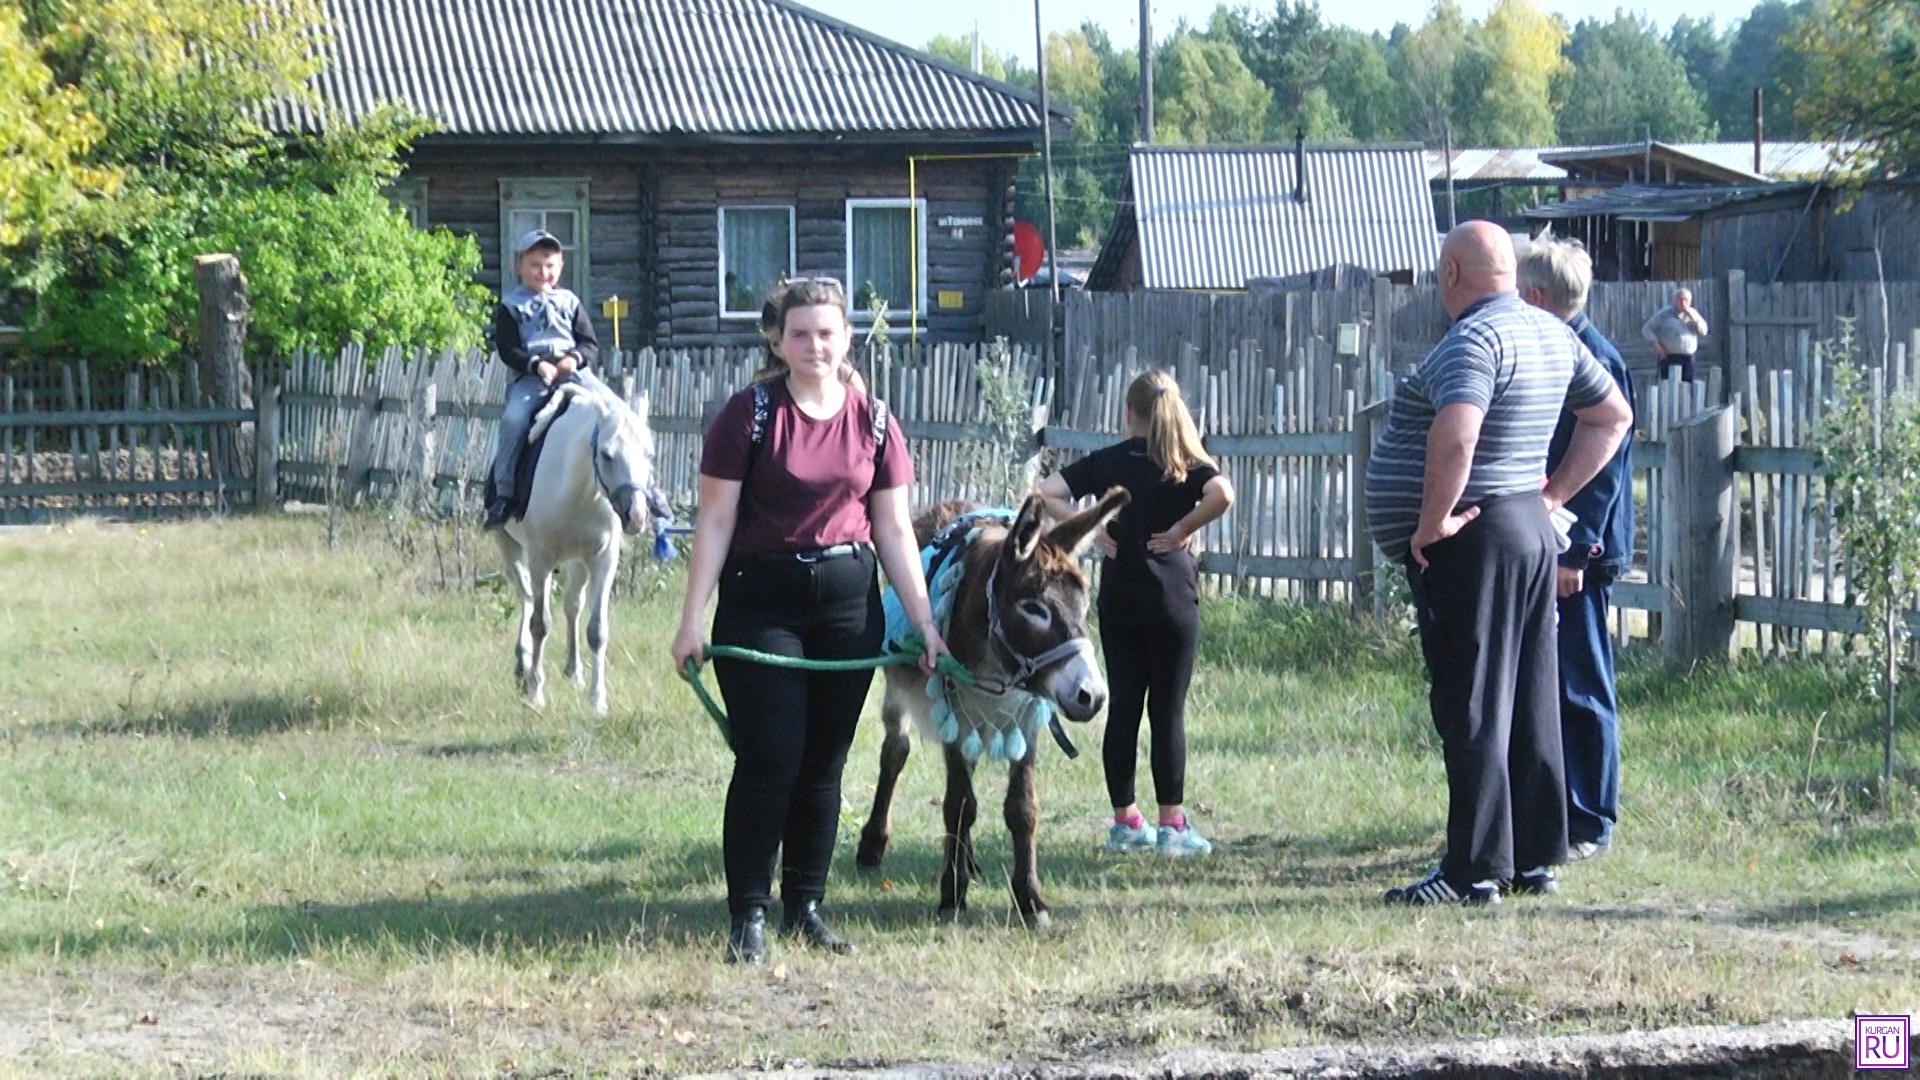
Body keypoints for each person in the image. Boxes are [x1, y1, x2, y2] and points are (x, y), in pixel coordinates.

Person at [671, 278, 947, 965]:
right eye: (800, 334)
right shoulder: (749, 415)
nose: (814, 346)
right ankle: (749, 917)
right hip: (761, 605)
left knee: (825, 763)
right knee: (771, 758)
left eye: (826, 333)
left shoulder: (877, 423)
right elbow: (716, 519)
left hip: (849, 609)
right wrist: (691, 620)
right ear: (777, 340)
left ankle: (807, 905)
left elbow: (893, 530)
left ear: (846, 338)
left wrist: (923, 622)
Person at [1364, 221, 1632, 905]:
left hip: (1474, 536)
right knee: (1530, 697)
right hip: (1525, 529)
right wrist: (1551, 496)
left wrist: (1433, 522)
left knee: (1473, 700)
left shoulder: (1475, 337)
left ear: (1452, 275)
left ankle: (1473, 870)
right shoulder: (1551, 330)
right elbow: (1613, 416)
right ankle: (1536, 855)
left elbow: (1457, 432)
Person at [1038, 371, 1235, 858]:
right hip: (1173, 601)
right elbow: (1224, 495)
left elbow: (1047, 492)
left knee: (1123, 708)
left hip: (1121, 599)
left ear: (1129, 414)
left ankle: (1126, 821)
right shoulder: (1187, 462)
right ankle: (1172, 826)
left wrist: (1091, 529)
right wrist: (1182, 528)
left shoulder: (1111, 461)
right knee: (1167, 711)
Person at [1520, 239, 1636, 863]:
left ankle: (1592, 819)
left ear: (1537, 297)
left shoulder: (1597, 359)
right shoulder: (1561, 348)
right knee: (1556, 679)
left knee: (1582, 683)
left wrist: (1576, 553)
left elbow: (1606, 470)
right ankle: (1560, 808)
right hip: (1560, 541)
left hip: (1580, 552)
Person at [486, 228, 606, 528]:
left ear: (560, 267)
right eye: (536, 265)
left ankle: (646, 487)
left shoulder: (569, 301)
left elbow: (589, 342)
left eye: (550, 265)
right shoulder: (511, 306)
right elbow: (507, 349)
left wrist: (573, 359)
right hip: (531, 379)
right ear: (520, 267)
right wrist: (536, 364)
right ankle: (504, 494)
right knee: (514, 420)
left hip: (574, 374)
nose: (543, 272)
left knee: (614, 410)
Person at [759, 283, 868, 394]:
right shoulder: (761, 386)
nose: (814, 346)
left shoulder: (847, 377)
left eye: (825, 334)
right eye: (775, 344)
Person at [1641, 288, 1709, 384]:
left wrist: (1692, 317)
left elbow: (1704, 331)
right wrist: (1657, 347)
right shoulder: (1664, 314)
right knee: (1667, 387)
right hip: (1669, 356)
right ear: (1674, 300)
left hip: (1687, 358)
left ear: (1690, 301)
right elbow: (1647, 329)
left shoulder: (1694, 314)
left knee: (1687, 387)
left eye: (1685, 299)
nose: (1682, 302)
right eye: (1679, 299)